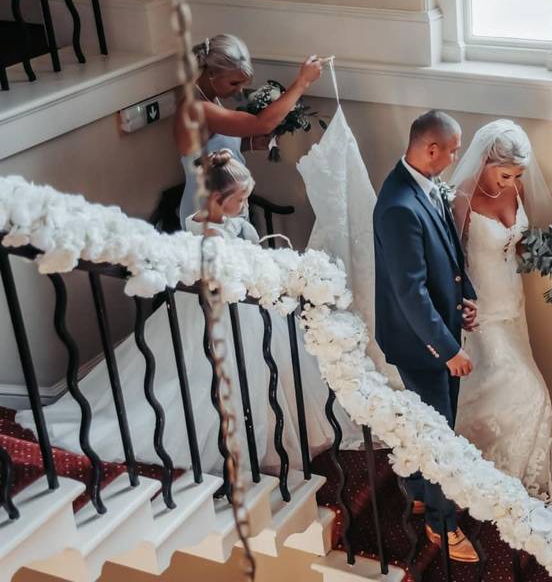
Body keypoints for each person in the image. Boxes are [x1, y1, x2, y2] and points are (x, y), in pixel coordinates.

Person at [19, 151, 357, 478]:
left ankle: (279, 436)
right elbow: (220, 275)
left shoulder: (233, 223)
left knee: (268, 366)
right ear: (216, 199)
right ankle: (250, 446)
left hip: (249, 302)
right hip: (220, 309)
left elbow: (251, 251)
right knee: (230, 372)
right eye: (240, 199)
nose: (245, 206)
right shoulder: (206, 234)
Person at [372, 110, 480, 563]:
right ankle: (442, 525)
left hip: (438, 327)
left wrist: (466, 299)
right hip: (421, 344)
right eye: (453, 149)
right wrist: (448, 349)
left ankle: (417, 490)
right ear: (431, 148)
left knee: (429, 421)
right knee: (439, 432)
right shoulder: (398, 204)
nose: (457, 156)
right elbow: (409, 291)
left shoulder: (423, 185)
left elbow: (450, 251)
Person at [447, 119, 552, 502]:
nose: (509, 182)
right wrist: (459, 303)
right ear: (485, 162)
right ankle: (498, 475)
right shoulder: (461, 196)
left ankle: (493, 470)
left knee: (489, 391)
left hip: (513, 302)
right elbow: (449, 259)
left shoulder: (518, 187)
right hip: (481, 310)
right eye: (504, 173)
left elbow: (521, 244)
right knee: (531, 392)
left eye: (517, 175)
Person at [173, 33, 325, 227]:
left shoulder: (210, 100)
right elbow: (261, 124)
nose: (238, 91)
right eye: (234, 83)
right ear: (211, 73)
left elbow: (209, 153)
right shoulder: (197, 109)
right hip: (207, 210)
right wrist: (303, 81)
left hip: (226, 204)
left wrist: (249, 144)